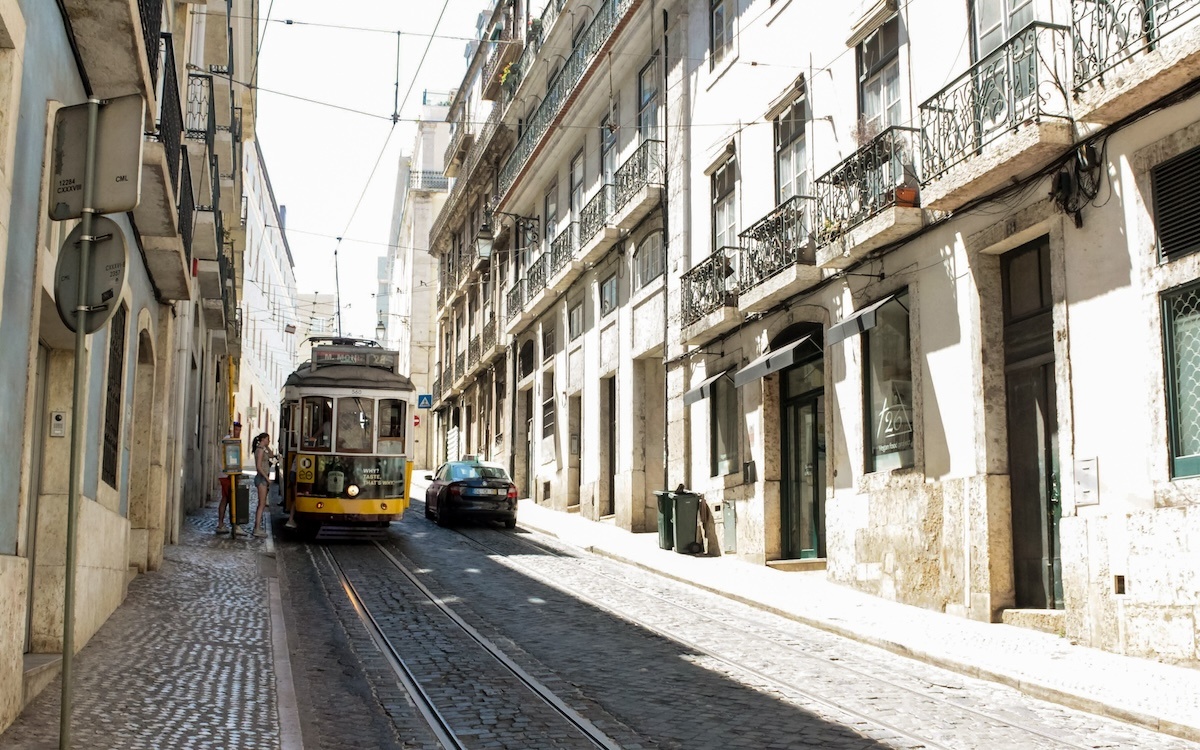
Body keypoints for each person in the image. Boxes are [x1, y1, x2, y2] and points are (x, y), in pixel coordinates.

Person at [216, 421, 242, 534]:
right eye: (236, 430)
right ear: (232, 430)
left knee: (225, 499)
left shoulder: (228, 440)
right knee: (231, 499)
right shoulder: (229, 441)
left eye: (239, 431)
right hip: (227, 475)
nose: (238, 433)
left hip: (225, 474)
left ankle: (222, 524)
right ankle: (233, 525)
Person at [251, 432, 273, 538]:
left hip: (263, 478)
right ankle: (257, 528)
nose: (269, 441)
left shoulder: (263, 449)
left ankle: (257, 527)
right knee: (261, 504)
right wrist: (267, 478)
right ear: (263, 439)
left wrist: (267, 446)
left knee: (262, 503)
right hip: (261, 479)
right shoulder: (259, 451)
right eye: (268, 439)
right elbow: (259, 466)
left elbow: (272, 455)